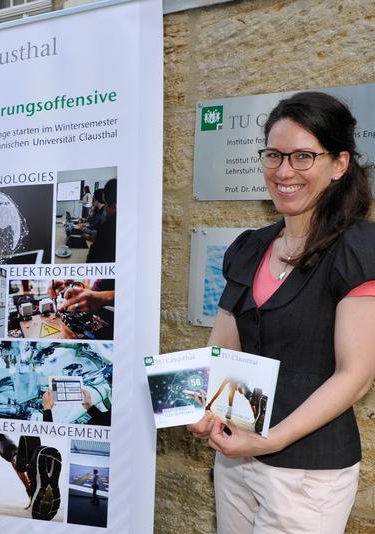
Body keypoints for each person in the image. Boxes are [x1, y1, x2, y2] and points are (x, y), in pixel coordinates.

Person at [188, 92, 375, 533]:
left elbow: (357, 375)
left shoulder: (357, 249)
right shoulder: (250, 247)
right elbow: (223, 349)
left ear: (339, 164)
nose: (284, 171)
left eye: (303, 156)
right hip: (236, 456)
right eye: (274, 154)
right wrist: (200, 405)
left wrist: (270, 439)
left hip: (307, 473)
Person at [85, 179, 116, 263]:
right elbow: (92, 223)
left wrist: (86, 232)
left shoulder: (106, 218)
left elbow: (96, 228)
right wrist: (91, 211)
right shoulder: (98, 211)